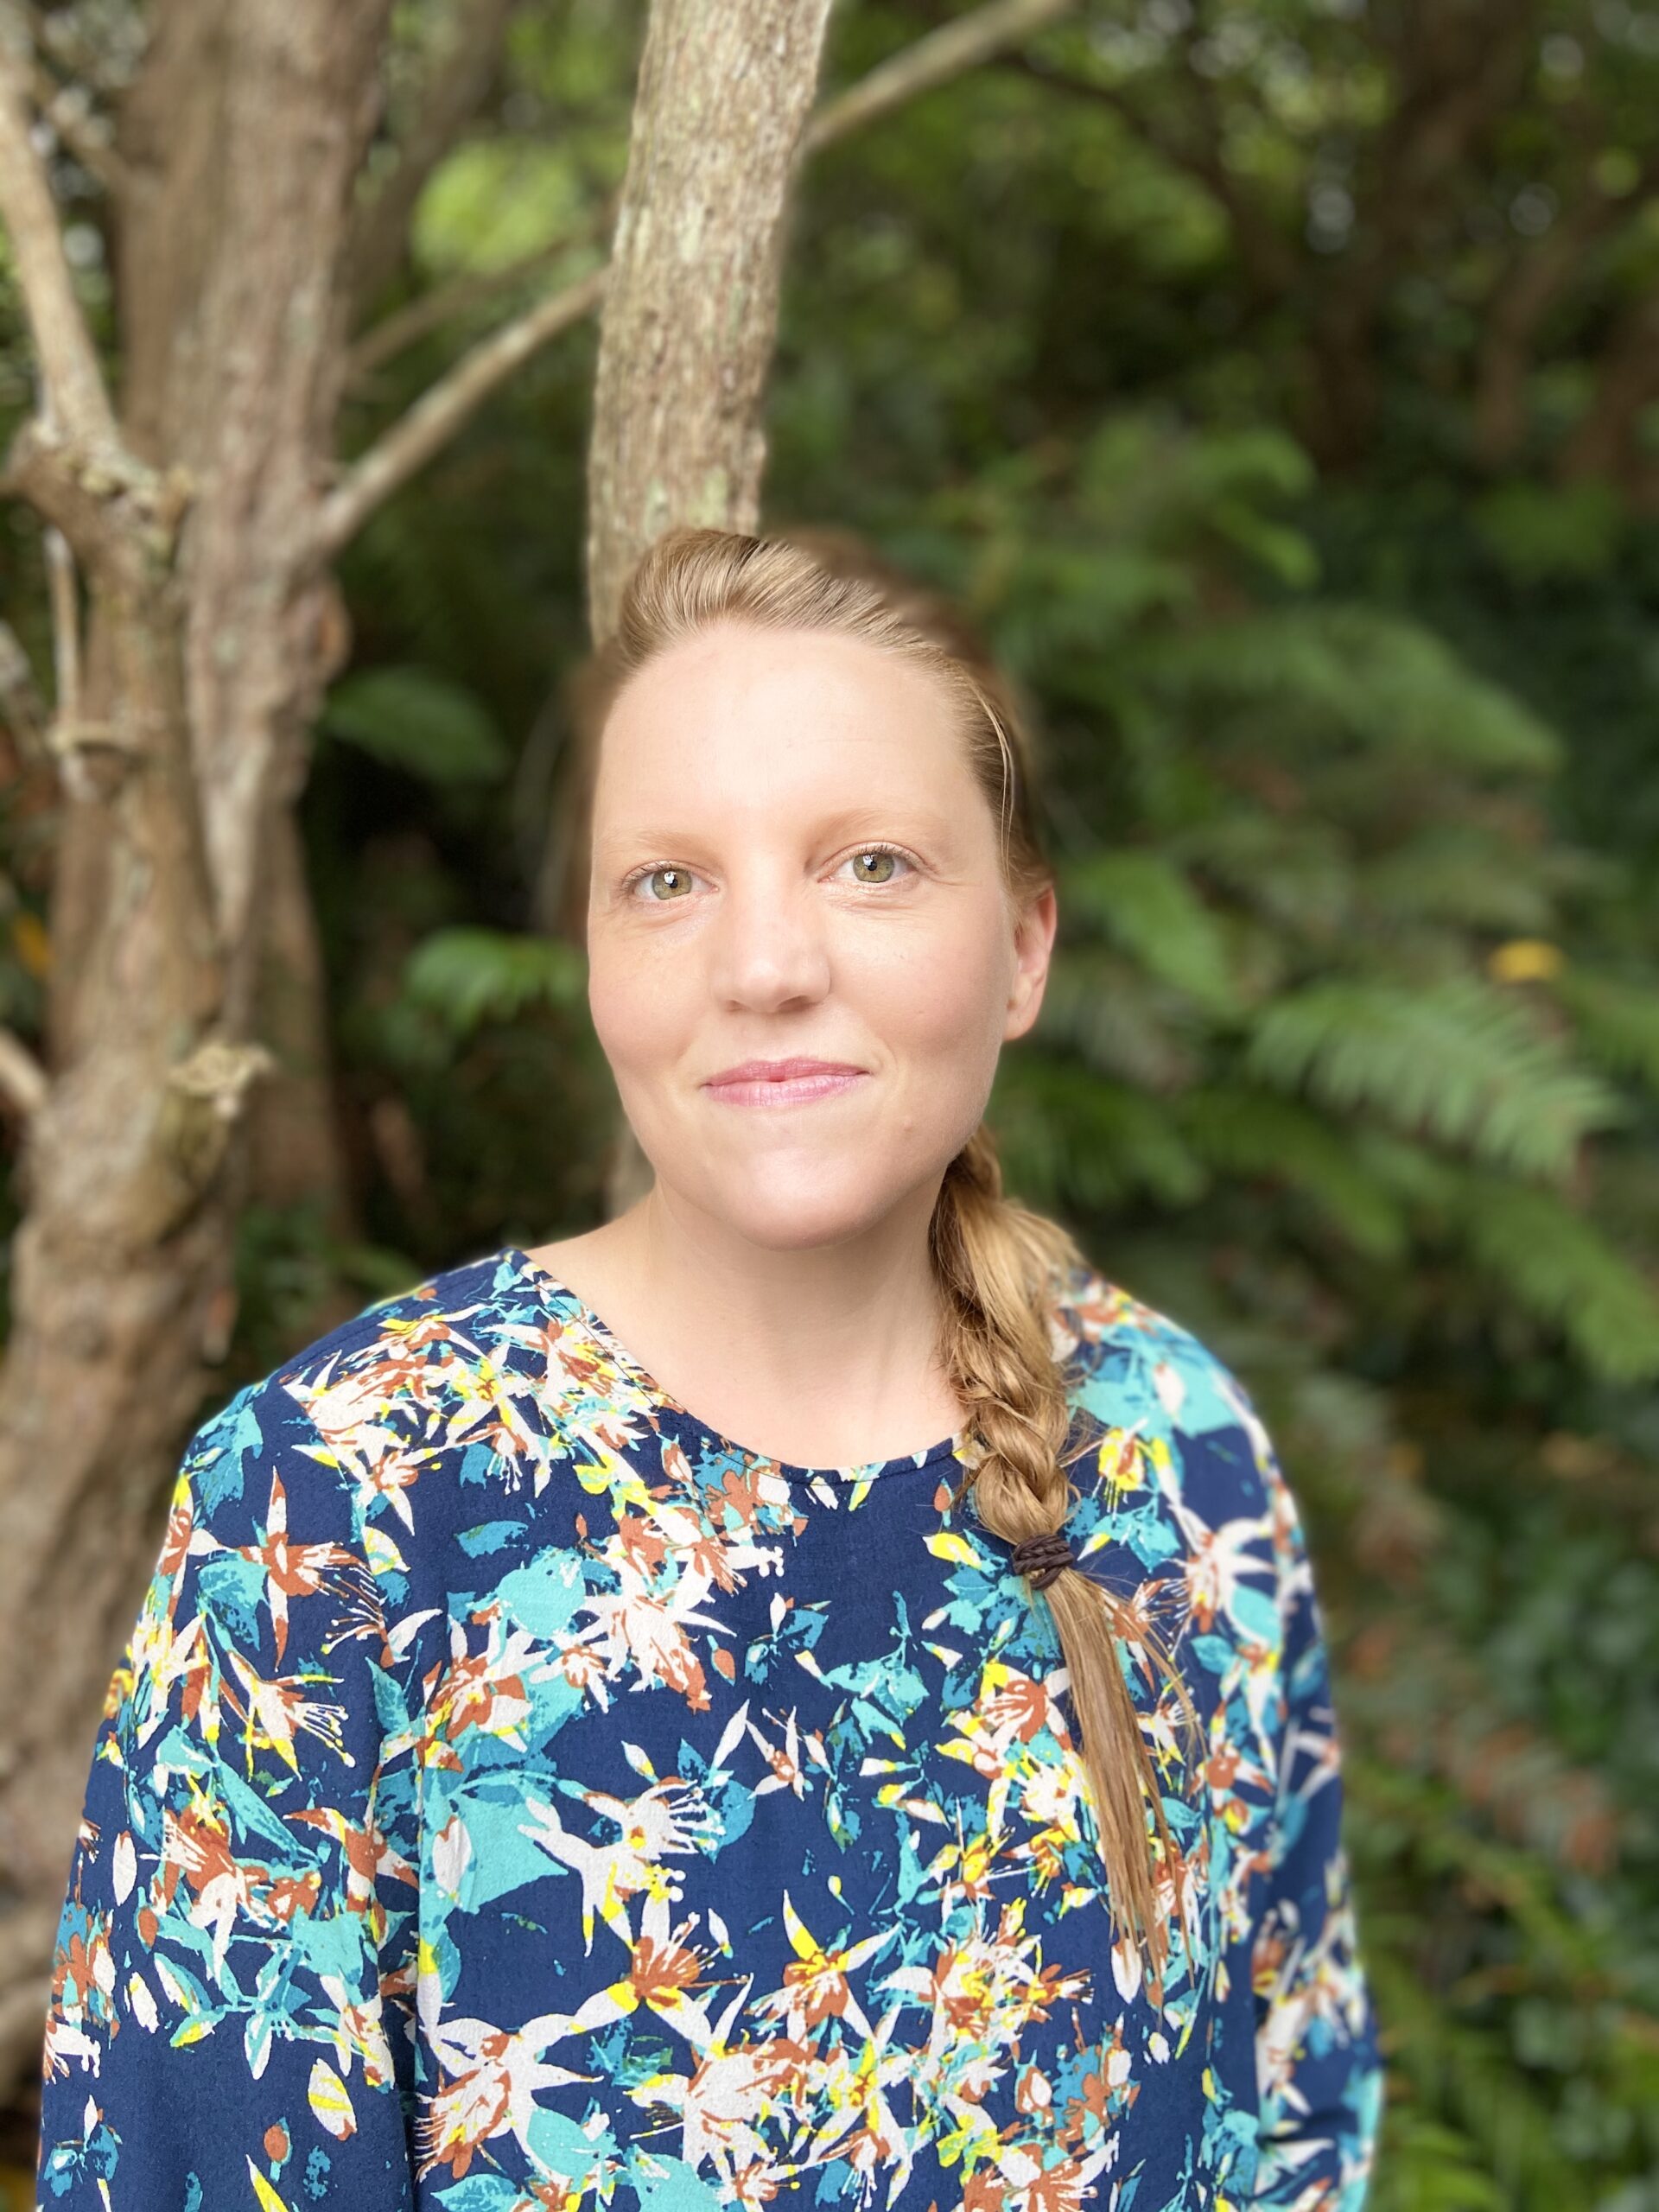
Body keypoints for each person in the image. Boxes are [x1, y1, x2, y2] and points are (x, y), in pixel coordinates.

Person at [36, 524, 1386, 2209]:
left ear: (1026, 946)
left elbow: (1298, 2126)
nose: (766, 965)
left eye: (870, 862)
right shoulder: (342, 1502)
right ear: (598, 959)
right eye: (669, 879)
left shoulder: (1179, 1455)